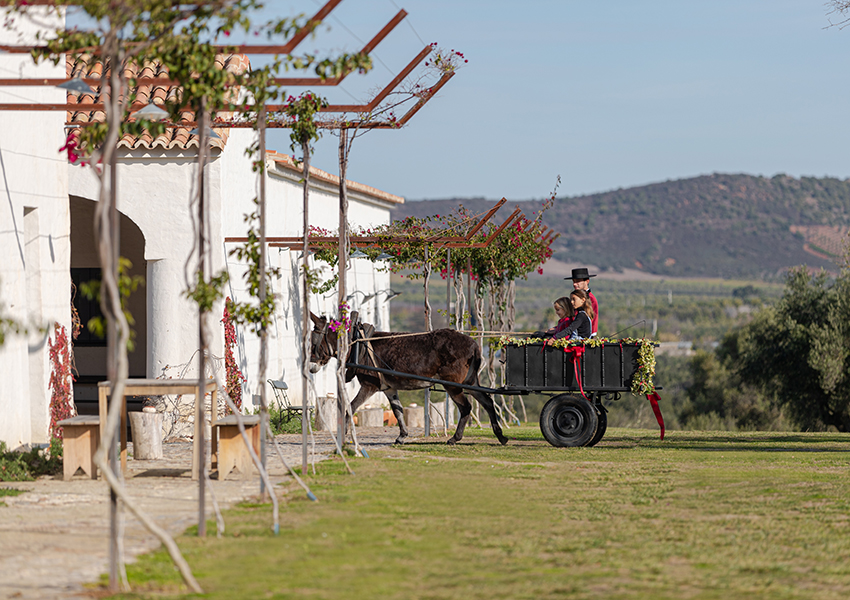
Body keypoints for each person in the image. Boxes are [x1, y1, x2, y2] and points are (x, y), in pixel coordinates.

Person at [565, 267, 598, 337]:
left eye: (577, 281)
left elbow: (592, 319)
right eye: (574, 281)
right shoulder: (575, 298)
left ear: (587, 281)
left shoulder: (590, 298)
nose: (574, 284)